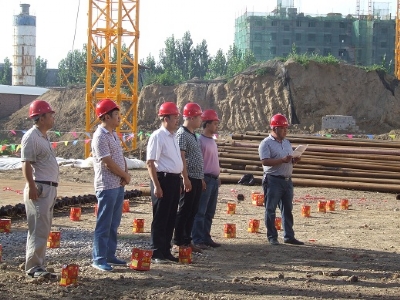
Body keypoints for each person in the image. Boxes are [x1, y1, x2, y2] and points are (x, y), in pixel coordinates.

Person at [91, 99, 131, 272]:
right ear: (106, 117)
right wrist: (124, 175)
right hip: (107, 185)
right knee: (104, 223)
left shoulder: (113, 134)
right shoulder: (100, 136)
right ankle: (98, 258)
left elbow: (119, 158)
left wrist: (125, 174)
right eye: (116, 115)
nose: (119, 118)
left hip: (118, 184)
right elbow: (107, 162)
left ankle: (109, 254)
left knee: (114, 222)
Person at [22, 100, 59, 278]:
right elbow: (26, 163)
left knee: (43, 228)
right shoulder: (31, 137)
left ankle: (38, 264)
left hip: (48, 188)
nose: (53, 118)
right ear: (41, 118)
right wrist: (31, 185)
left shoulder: (43, 136)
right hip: (40, 187)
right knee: (38, 229)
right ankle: (33, 267)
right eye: (50, 115)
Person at [258, 113, 304, 246]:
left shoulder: (286, 142)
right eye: (283, 128)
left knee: (287, 209)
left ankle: (289, 236)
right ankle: (272, 236)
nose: (285, 131)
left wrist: (294, 160)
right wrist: (282, 160)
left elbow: (287, 160)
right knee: (270, 209)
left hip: (287, 180)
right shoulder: (266, 144)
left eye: (286, 128)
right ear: (275, 128)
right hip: (273, 180)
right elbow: (265, 161)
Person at [147, 102, 183, 263]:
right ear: (165, 118)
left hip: (174, 179)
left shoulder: (173, 137)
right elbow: (150, 162)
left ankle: (166, 249)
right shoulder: (158, 136)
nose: (177, 120)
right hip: (163, 178)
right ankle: (157, 251)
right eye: (175, 117)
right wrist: (156, 185)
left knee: (170, 216)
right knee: (161, 216)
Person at [173, 102, 205, 253]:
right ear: (191, 117)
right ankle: (179, 240)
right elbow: (181, 157)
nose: (201, 120)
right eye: (199, 117)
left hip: (196, 177)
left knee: (192, 210)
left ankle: (187, 239)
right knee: (185, 209)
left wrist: (201, 178)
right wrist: (185, 178)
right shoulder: (181, 134)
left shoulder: (193, 135)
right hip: (189, 177)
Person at [192, 109, 222, 249]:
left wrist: (218, 176)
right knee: (201, 211)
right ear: (207, 124)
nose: (216, 126)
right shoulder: (199, 140)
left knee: (210, 211)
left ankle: (206, 236)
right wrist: (201, 178)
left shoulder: (212, 141)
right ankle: (197, 238)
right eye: (215, 123)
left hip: (214, 180)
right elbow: (198, 161)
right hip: (205, 179)